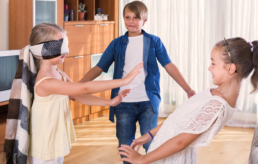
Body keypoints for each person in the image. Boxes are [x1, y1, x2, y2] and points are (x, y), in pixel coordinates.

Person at [3, 23, 142, 164]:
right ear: (42, 50)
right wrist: (123, 81)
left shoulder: (60, 74)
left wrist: (110, 102)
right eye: (61, 46)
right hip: (43, 145)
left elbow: (79, 95)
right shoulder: (45, 82)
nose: (67, 51)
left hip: (56, 141)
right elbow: (84, 88)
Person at [79, 2, 195, 163]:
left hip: (148, 101)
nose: (131, 21)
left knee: (151, 143)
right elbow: (99, 68)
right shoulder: (116, 44)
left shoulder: (154, 42)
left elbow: (169, 66)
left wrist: (188, 89)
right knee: (125, 145)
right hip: (123, 102)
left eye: (136, 17)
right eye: (127, 17)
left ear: (144, 21)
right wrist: (77, 87)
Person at [117, 37, 258, 164]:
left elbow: (181, 142)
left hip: (173, 158)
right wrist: (150, 135)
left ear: (231, 68)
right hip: (163, 147)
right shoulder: (214, 93)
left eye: (213, 63)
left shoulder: (217, 105)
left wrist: (143, 159)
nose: (209, 68)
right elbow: (178, 118)